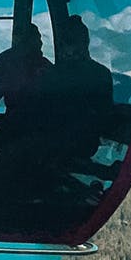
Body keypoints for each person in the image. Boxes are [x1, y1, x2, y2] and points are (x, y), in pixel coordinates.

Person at [40, 15, 113, 165]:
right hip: (82, 145)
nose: (64, 49)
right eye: (64, 43)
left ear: (82, 43)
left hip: (61, 147)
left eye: (67, 42)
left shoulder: (53, 75)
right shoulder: (101, 73)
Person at [0, 22, 52, 162]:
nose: (41, 43)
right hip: (41, 128)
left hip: (15, 124)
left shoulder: (7, 62)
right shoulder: (46, 66)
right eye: (37, 38)